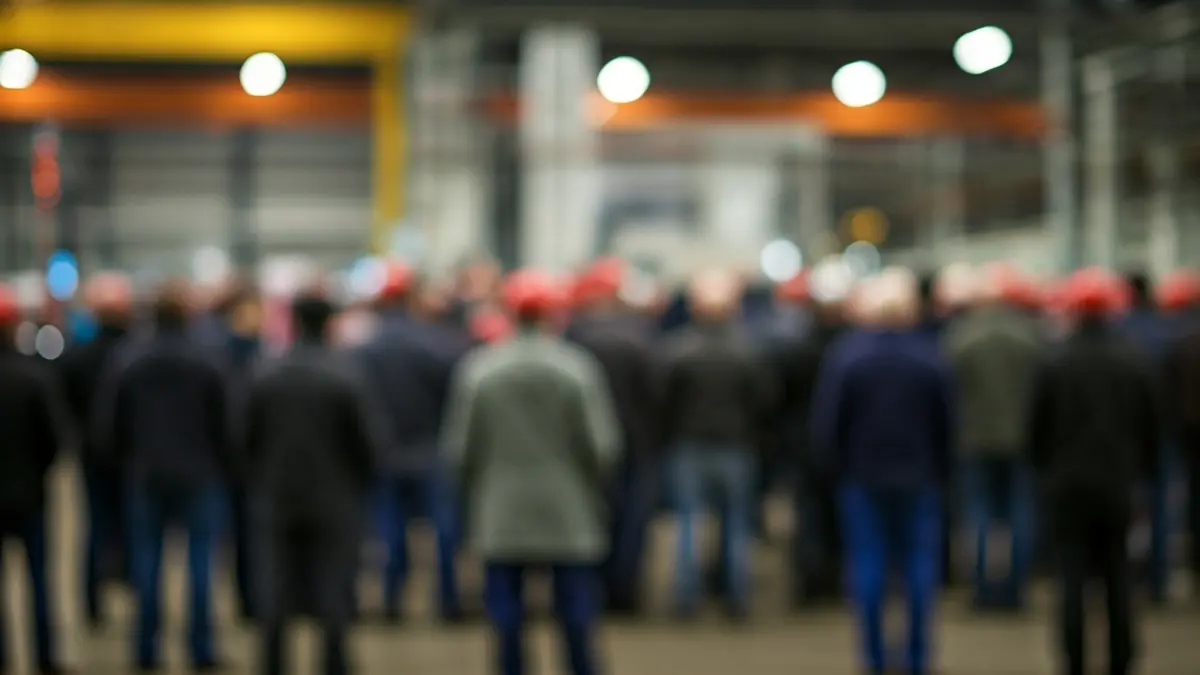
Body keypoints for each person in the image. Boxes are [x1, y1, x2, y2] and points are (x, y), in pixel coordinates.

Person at [443, 269, 621, 675]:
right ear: (554, 315)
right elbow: (604, 447)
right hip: (567, 506)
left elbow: (459, 450)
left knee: (505, 611)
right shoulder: (577, 369)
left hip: (501, 507)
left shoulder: (480, 371)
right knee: (575, 610)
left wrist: (473, 494)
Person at [812, 268, 955, 675]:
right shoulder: (930, 356)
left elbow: (829, 422)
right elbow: (946, 422)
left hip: (862, 476)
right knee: (918, 570)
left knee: (867, 566)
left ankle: (873, 657)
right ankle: (915, 657)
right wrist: (942, 470)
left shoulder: (847, 356)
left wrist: (835, 468)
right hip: (919, 476)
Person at [93, 279, 234, 672]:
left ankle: (145, 650)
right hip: (200, 474)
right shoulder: (209, 358)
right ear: (187, 316)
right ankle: (201, 649)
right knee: (201, 565)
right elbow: (226, 422)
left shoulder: (128, 358)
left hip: (146, 475)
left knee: (146, 564)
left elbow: (110, 424)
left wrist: (126, 462)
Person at [240, 292, 380, 675]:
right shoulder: (346, 375)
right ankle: (334, 662)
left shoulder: (264, 372)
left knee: (274, 588)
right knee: (334, 588)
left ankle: (272, 663)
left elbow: (244, 438)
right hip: (334, 497)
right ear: (329, 324)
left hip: (275, 495)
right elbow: (368, 443)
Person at [1031, 268, 1159, 675]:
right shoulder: (1134, 361)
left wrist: (1044, 473)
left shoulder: (1054, 361)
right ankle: (1121, 659)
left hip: (1066, 486)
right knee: (1119, 577)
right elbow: (1151, 427)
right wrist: (1142, 473)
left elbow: (1037, 428)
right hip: (1118, 483)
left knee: (1071, 579)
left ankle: (1074, 660)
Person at [659, 268, 772, 620]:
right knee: (736, 525)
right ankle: (736, 597)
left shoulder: (676, 350)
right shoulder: (749, 351)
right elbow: (764, 400)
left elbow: (662, 400)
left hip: (689, 446)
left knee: (688, 525)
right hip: (736, 447)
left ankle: (686, 599)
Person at [358, 263, 465, 622]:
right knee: (443, 532)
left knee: (389, 531)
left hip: (383, 452)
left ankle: (391, 600)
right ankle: (448, 600)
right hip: (431, 449)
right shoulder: (438, 344)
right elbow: (457, 396)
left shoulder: (364, 350)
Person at [943, 264, 1042, 610]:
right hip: (1021, 439)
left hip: (974, 440)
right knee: (1019, 515)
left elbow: (949, 392)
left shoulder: (960, 338)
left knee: (979, 515)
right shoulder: (1031, 338)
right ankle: (1015, 588)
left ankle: (983, 588)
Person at [566, 259, 659, 615]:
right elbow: (655, 395)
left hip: (586, 449)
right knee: (631, 525)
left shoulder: (574, 339)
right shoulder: (641, 337)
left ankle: (593, 593)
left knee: (592, 522)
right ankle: (625, 594)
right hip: (636, 445)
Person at [59, 272, 135, 628]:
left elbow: (65, 407)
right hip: (131, 455)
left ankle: (92, 604)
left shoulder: (78, 354)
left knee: (95, 527)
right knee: (134, 527)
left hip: (92, 454)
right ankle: (137, 598)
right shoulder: (136, 353)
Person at [0, 285, 69, 674]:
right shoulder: (33, 377)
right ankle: (45, 657)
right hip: (30, 495)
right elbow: (53, 441)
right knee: (39, 583)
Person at [769, 272, 846, 608]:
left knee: (809, 513)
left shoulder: (796, 349)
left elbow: (778, 398)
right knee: (838, 514)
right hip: (844, 444)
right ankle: (836, 578)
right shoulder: (850, 348)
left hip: (803, 441)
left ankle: (811, 580)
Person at [1116, 270, 1173, 603]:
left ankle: (1128, 574)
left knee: (1128, 509)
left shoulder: (1121, 334)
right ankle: (1158, 579)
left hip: (1123, 436)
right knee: (1162, 508)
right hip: (1164, 433)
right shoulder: (1167, 333)